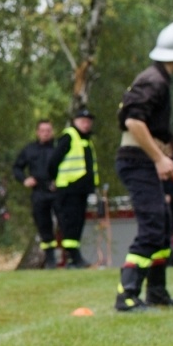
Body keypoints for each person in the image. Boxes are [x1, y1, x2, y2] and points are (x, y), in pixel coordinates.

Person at [113, 21, 173, 311]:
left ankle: (157, 291)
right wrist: (160, 158)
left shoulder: (157, 78)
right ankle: (126, 295)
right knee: (151, 226)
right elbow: (133, 121)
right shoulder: (154, 80)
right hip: (137, 162)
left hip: (142, 161)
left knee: (161, 228)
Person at [48, 108, 98, 268]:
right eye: (83, 121)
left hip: (81, 190)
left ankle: (75, 256)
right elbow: (53, 161)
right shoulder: (69, 136)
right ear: (75, 121)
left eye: (88, 121)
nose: (86, 124)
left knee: (78, 222)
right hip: (69, 188)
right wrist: (54, 179)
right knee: (69, 223)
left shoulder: (86, 139)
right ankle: (72, 257)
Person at [12, 119, 59, 269]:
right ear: (37, 132)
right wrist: (25, 180)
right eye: (43, 130)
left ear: (52, 132)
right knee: (43, 225)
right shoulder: (29, 150)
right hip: (39, 191)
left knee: (64, 222)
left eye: (48, 130)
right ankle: (50, 259)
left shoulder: (58, 148)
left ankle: (70, 256)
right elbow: (17, 168)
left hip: (57, 191)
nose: (46, 133)